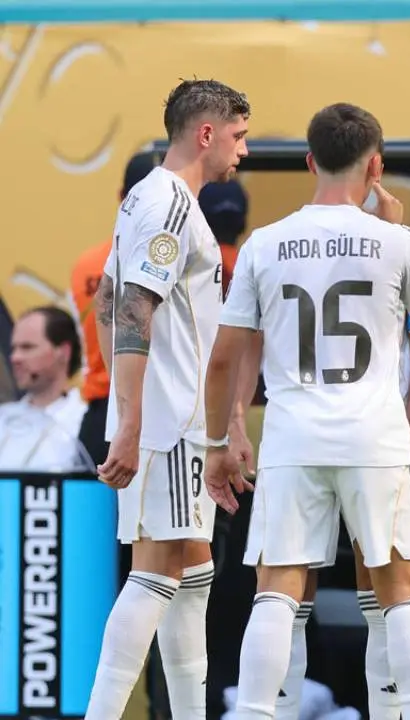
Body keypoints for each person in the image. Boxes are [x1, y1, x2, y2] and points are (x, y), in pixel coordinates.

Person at [201, 101, 410, 720]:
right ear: (376, 166)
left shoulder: (263, 243)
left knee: (276, 592)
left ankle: (257, 714)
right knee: (401, 592)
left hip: (294, 436)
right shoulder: (398, 242)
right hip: (375, 435)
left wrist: (219, 440)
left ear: (311, 161)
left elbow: (224, 359)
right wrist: (397, 228)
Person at [84, 78, 251, 720]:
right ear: (205, 133)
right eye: (238, 137)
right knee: (155, 571)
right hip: (170, 422)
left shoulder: (143, 200)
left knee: (193, 567)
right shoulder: (173, 207)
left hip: (172, 418)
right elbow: (130, 312)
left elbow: (106, 304)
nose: (242, 153)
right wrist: (131, 420)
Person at [70, 153, 159, 466]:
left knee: (97, 514)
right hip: (148, 407)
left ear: (123, 196)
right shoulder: (171, 259)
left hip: (100, 407)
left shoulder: (87, 265)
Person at [0, 306, 89, 471]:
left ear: (63, 352)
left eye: (27, 347)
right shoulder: (3, 418)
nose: (15, 357)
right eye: (14, 348)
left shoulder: (84, 424)